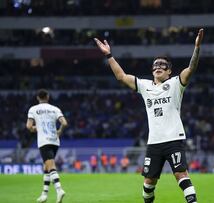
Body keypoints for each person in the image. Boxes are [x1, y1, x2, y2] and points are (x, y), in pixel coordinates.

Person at [94, 28, 203, 203]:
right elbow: (121, 76)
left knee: (181, 174)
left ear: (169, 72)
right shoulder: (145, 86)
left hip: (173, 138)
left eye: (163, 65)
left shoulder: (176, 84)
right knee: (148, 183)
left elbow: (191, 68)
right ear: (152, 70)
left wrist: (197, 48)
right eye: (156, 65)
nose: (159, 67)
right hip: (154, 142)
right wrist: (109, 56)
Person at [26, 89, 68, 203]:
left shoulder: (33, 109)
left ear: (37, 98)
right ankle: (44, 194)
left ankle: (59, 190)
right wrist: (59, 130)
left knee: (50, 166)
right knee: (46, 167)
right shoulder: (55, 109)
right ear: (48, 97)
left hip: (44, 141)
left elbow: (29, 126)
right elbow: (64, 123)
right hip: (55, 141)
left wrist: (36, 128)